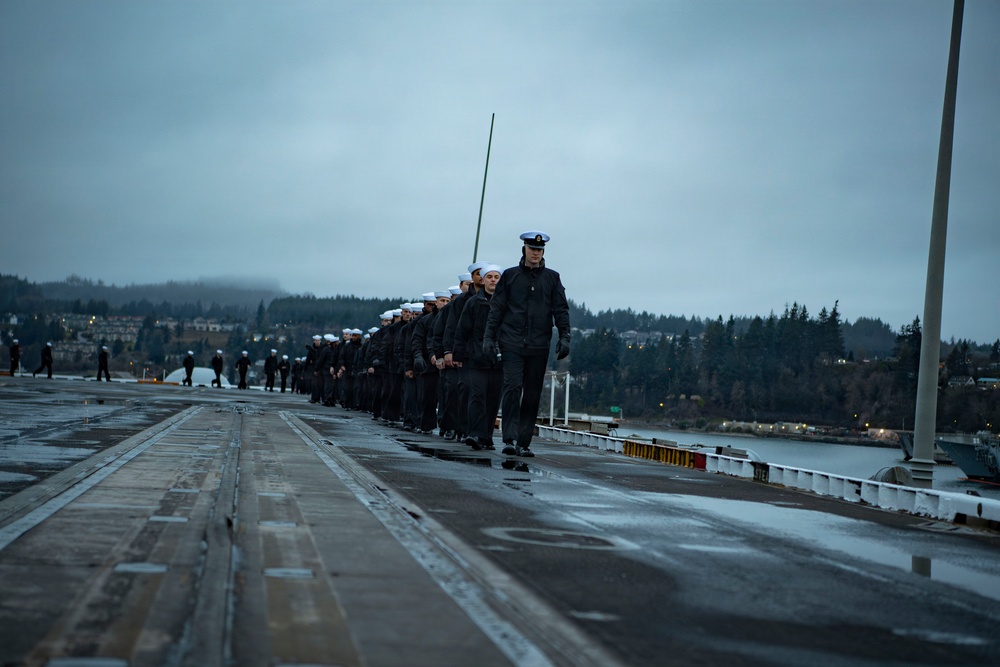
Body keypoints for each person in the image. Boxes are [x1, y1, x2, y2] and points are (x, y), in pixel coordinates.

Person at [484, 231, 571, 457]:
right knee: (512, 389)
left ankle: (524, 442)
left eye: (539, 250)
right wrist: (489, 339)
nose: (536, 253)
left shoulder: (552, 278)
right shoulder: (510, 276)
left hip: (539, 344)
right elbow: (497, 309)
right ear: (524, 249)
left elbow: (560, 309)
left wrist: (565, 337)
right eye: (532, 249)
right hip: (511, 342)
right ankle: (510, 439)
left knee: (532, 394)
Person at [457, 264, 504, 450]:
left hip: (498, 360)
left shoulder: (505, 303)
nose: (493, 280)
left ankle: (487, 436)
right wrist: (459, 353)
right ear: (482, 280)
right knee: (477, 396)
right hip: (476, 358)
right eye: (489, 277)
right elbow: (462, 330)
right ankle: (475, 434)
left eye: (497, 277)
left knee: (493, 399)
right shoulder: (473, 303)